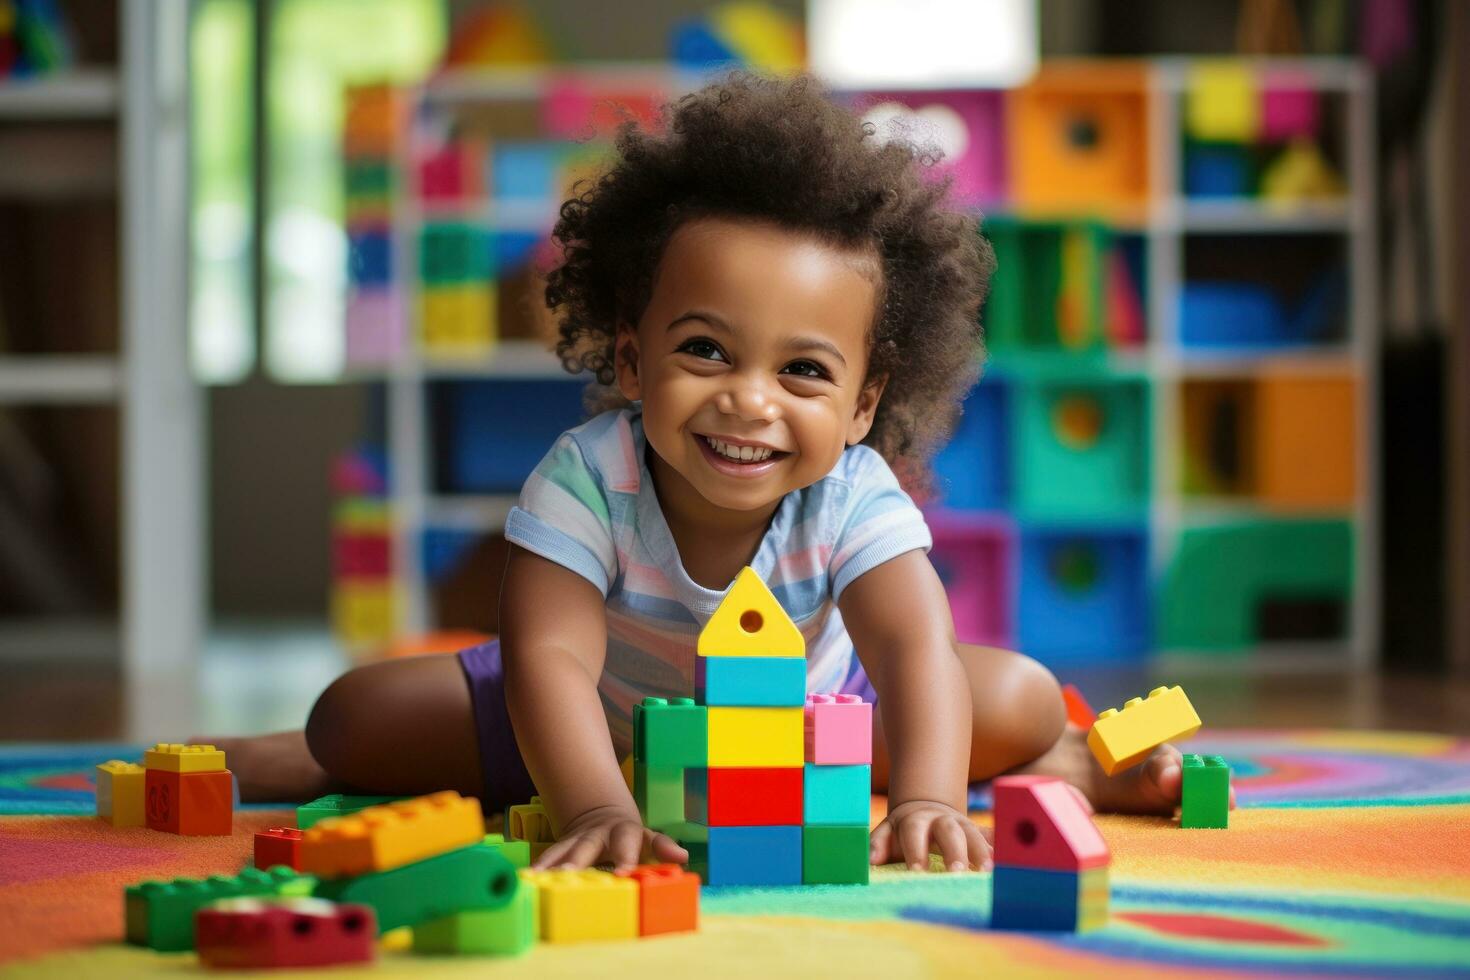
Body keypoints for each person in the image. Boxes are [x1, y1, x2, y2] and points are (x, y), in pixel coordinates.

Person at [219, 73, 1207, 875]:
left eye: (804, 370)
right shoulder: (585, 477)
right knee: (350, 720)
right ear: (629, 357)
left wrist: (929, 801)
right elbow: (548, 658)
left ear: (864, 403)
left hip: (810, 730)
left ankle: (1069, 760)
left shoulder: (854, 491)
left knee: (1021, 695)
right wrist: (599, 802)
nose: (750, 399)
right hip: (595, 726)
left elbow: (913, 651)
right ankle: (298, 760)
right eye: (705, 351)